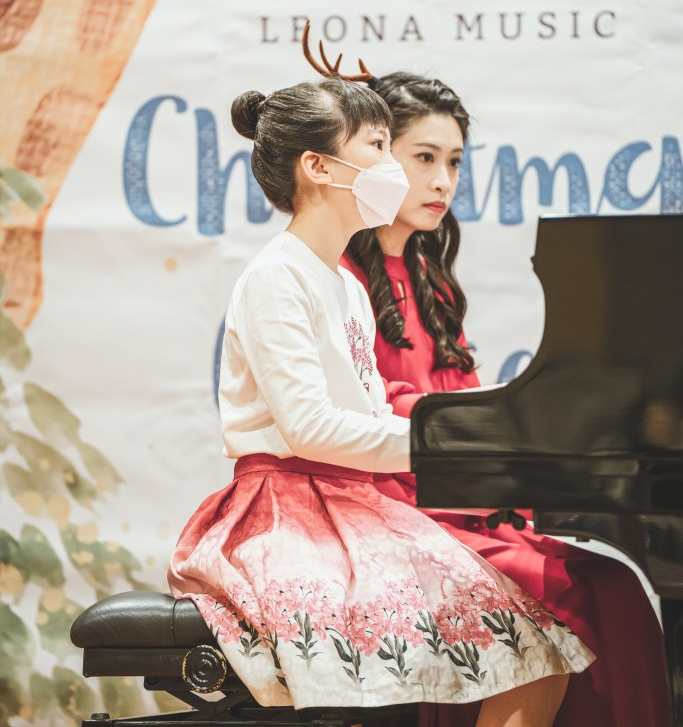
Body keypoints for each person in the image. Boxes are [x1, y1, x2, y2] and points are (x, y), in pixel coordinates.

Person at [168, 76, 594, 727]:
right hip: (286, 508)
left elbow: (369, 415)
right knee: (517, 642)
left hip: (351, 500)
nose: (392, 167)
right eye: (376, 147)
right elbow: (309, 428)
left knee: (539, 649)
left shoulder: (344, 286)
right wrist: (438, 442)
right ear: (318, 167)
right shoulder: (276, 275)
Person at [340, 69, 671, 727]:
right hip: (388, 505)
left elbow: (462, 403)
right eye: (424, 158)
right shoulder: (340, 278)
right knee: (556, 594)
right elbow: (369, 413)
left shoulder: (432, 281)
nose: (443, 181)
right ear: (376, 159)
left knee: (615, 586)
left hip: (453, 498)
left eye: (454, 162)